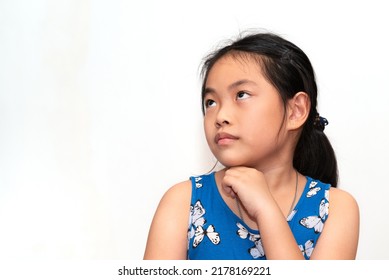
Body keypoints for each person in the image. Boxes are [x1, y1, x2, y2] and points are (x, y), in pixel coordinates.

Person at [143, 31, 359, 260]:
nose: (220, 115)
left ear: (296, 111)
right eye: (211, 102)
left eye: (242, 95)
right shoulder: (182, 202)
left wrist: (266, 210)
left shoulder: (336, 209)